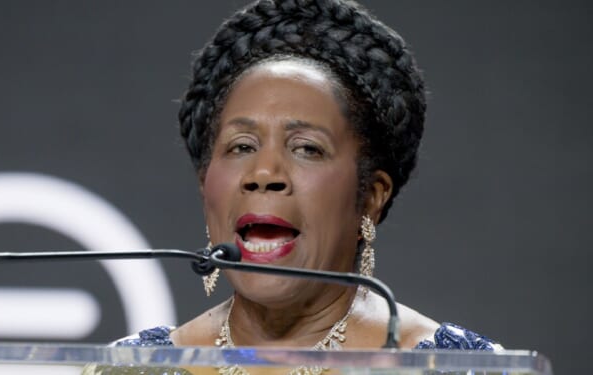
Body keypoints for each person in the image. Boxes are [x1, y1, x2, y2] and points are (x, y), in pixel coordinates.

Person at [118, 0, 500, 351]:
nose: (264, 173)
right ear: (205, 184)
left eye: (307, 149)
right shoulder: (132, 366)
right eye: (242, 146)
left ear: (372, 195)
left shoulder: (459, 366)